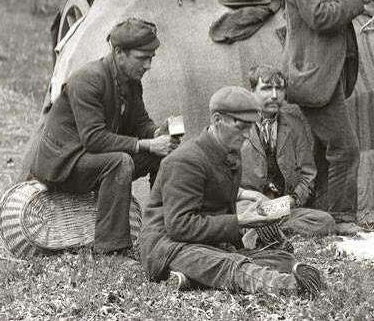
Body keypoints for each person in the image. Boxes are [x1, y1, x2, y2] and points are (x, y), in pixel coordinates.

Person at [138, 86, 325, 297]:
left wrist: (256, 208)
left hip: (208, 244)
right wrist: (242, 221)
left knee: (282, 259)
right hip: (170, 247)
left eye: (251, 126)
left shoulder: (231, 155)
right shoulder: (185, 160)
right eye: (241, 127)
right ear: (218, 120)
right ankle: (289, 287)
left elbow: (214, 194)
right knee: (229, 264)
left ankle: (189, 279)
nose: (247, 135)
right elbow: (180, 226)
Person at [29, 17, 174, 255]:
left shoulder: (132, 82)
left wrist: (158, 133)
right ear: (119, 52)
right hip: (63, 164)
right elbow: (94, 139)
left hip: (89, 158)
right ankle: (111, 249)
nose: (148, 65)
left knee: (164, 155)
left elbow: (140, 123)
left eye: (151, 58)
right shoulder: (88, 79)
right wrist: (148, 144)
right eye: (142, 58)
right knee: (119, 162)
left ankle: (161, 231)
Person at [283, 0, 374, 233]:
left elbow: (334, 9)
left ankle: (320, 215)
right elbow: (321, 17)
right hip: (315, 79)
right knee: (345, 148)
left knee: (327, 147)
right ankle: (340, 217)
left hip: (327, 76)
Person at [237, 64, 336, 238]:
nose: (274, 96)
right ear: (252, 92)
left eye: (279, 89)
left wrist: (293, 200)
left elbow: (308, 174)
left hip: (282, 207)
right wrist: (249, 197)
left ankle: (265, 232)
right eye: (267, 89)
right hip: (249, 206)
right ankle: (260, 230)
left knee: (325, 221)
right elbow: (222, 177)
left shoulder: (294, 124)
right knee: (238, 217)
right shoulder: (239, 124)